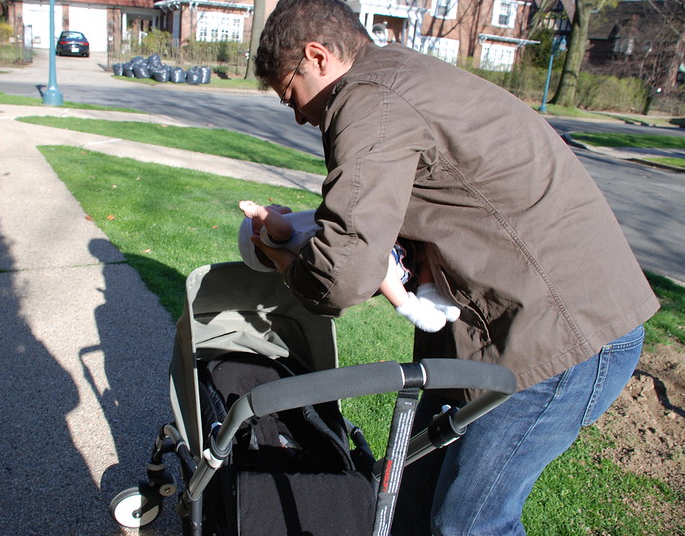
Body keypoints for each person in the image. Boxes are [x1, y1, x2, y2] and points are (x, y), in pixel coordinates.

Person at [251, 0, 660, 534]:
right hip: (502, 325)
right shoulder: (398, 76)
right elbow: (384, 238)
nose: (301, 115)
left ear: (317, 57)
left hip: (561, 333)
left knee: (467, 524)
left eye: (292, 95)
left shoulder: (368, 100)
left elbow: (344, 271)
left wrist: (286, 261)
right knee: (404, 502)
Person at [237, 199, 460, 332]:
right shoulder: (271, 238)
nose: (270, 205)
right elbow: (280, 230)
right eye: (265, 211)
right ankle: (409, 307)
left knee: (426, 249)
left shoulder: (291, 241)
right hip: (370, 256)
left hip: (385, 246)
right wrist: (258, 211)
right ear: (256, 234)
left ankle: (430, 295)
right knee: (381, 264)